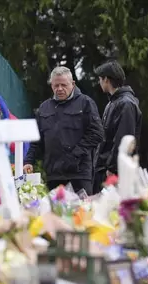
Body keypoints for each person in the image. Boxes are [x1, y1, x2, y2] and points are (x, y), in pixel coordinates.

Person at [24, 66, 104, 195]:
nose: (59, 89)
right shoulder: (44, 108)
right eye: (56, 85)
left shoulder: (85, 103)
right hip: (53, 174)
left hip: (79, 174)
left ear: (72, 84)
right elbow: (37, 139)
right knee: (56, 214)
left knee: (82, 213)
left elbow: (97, 133)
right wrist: (28, 161)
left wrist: (75, 155)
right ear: (51, 86)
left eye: (63, 85)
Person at [92, 61, 142, 194]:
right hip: (105, 170)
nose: (99, 83)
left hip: (114, 173)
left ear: (106, 80)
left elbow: (124, 140)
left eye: (100, 79)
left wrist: (112, 169)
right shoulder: (113, 102)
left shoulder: (126, 104)